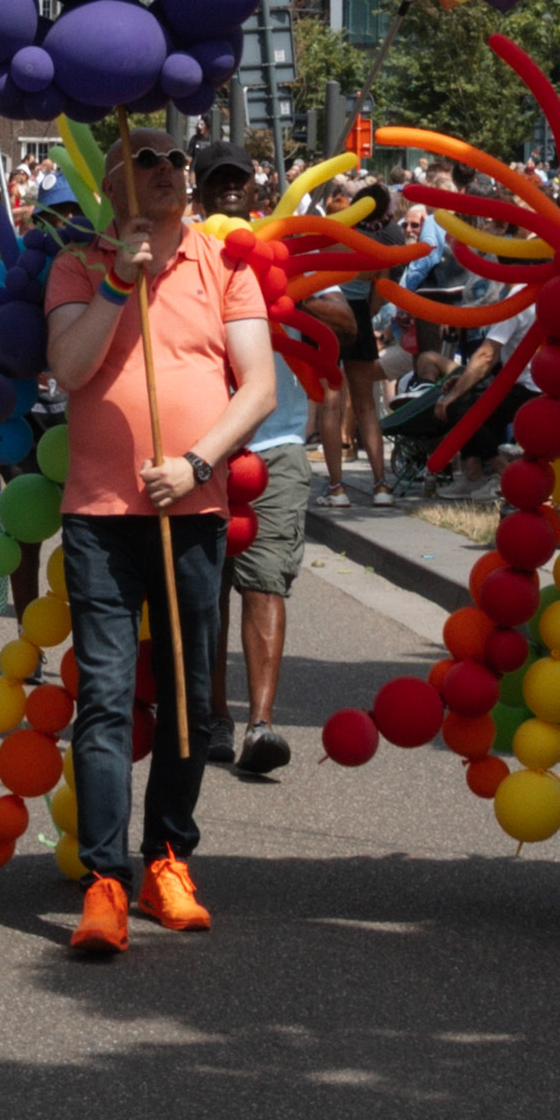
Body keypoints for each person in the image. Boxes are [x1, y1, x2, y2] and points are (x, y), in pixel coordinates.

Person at [40, 134, 275, 956]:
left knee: (186, 698)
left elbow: (260, 386)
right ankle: (104, 881)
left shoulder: (224, 264)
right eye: (146, 161)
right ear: (112, 184)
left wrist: (199, 462)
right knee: (106, 695)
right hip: (100, 516)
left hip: (192, 510)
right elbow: (68, 370)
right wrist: (117, 281)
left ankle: (168, 859)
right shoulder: (77, 266)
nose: (168, 172)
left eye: (173, 160)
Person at [221, 157, 315, 778]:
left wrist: (283, 300)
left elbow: (341, 321)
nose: (229, 188)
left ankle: (260, 725)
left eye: (238, 179)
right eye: (215, 179)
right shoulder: (187, 251)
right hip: (197, 445)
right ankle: (207, 719)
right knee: (203, 591)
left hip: (275, 443)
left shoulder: (284, 249)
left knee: (264, 581)